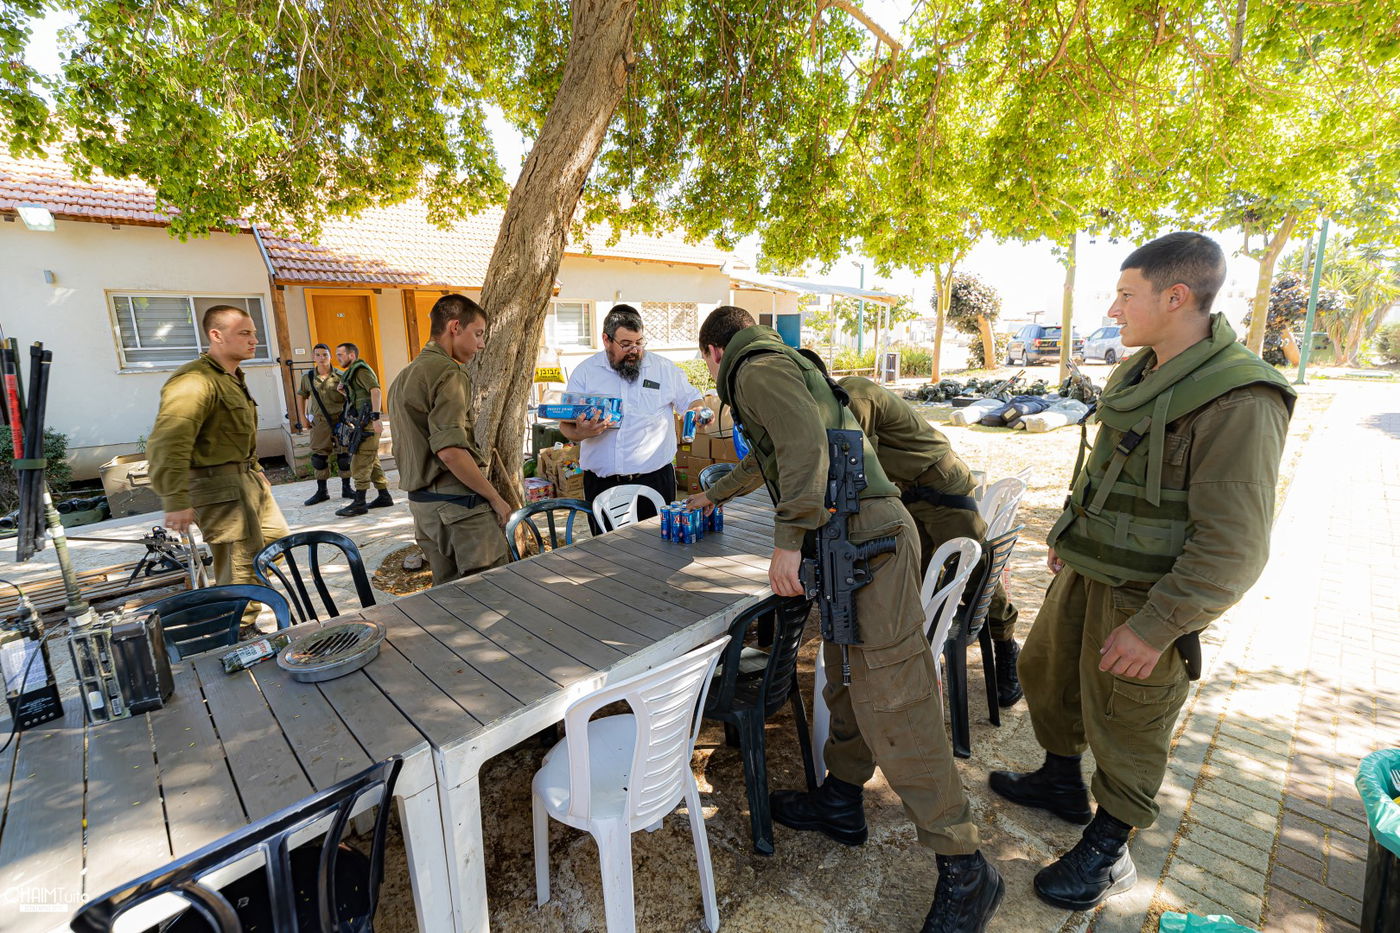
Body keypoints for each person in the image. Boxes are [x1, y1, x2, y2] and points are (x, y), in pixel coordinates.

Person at [991, 232, 1295, 912]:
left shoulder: (1240, 398)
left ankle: (1110, 844)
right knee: (1049, 673)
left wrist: (1157, 628)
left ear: (1176, 297)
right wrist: (1072, 530)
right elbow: (1107, 467)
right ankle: (1061, 779)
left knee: (1130, 720)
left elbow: (1235, 547)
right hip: (1093, 569)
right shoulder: (1142, 372)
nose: (1114, 307)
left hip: (1146, 594)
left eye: (1127, 295)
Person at [694, 306, 1002, 933]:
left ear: (712, 351)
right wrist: (715, 494)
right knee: (843, 681)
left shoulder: (751, 367)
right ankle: (841, 798)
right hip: (847, 542)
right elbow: (781, 451)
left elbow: (804, 443)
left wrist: (787, 538)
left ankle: (965, 864)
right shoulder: (775, 362)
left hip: (867, 541)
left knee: (897, 701)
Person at [697, 357, 1026, 705]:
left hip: (941, 491)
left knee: (976, 580)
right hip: (904, 499)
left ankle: (1006, 647)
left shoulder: (853, 399)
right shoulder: (817, 413)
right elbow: (765, 458)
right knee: (911, 589)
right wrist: (715, 494)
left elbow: (841, 470)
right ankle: (906, 671)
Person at [147, 305, 290, 625]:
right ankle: (235, 630)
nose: (254, 339)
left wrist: (255, 470)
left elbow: (229, 435)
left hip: (245, 482)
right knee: (240, 565)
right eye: (244, 333)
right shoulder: (195, 381)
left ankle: (241, 608)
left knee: (275, 543)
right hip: (218, 491)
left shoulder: (231, 377)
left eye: (254, 333)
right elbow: (168, 442)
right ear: (216, 335)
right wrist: (176, 499)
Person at [388, 294, 511, 584]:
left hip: (425, 510)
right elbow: (450, 451)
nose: (481, 344)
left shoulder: (404, 377)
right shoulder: (449, 372)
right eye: (478, 333)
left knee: (451, 603)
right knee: (493, 596)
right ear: (455, 327)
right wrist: (495, 498)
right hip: (459, 510)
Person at [560, 304, 706, 518]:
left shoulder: (664, 369)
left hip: (655, 482)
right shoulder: (585, 373)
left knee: (658, 550)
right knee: (604, 550)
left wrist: (698, 411)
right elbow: (565, 426)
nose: (635, 350)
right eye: (626, 344)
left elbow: (693, 400)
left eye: (639, 343)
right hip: (602, 486)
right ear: (606, 340)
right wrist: (583, 432)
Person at [333, 342, 393, 517]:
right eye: (337, 355)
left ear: (352, 355)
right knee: (371, 460)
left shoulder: (361, 370)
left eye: (341, 355)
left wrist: (376, 417)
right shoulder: (351, 374)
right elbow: (360, 395)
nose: (338, 358)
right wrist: (344, 392)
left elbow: (375, 390)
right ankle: (384, 495)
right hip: (361, 421)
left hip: (367, 422)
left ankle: (360, 502)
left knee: (359, 460)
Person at [296, 343, 353, 505]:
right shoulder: (307, 378)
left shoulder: (341, 376)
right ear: (313, 357)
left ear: (330, 356)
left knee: (344, 457)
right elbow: (302, 396)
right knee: (319, 458)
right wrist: (302, 417)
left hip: (340, 421)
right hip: (320, 422)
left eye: (325, 355)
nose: (322, 358)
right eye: (318, 355)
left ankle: (347, 488)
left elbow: (351, 398)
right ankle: (322, 491)